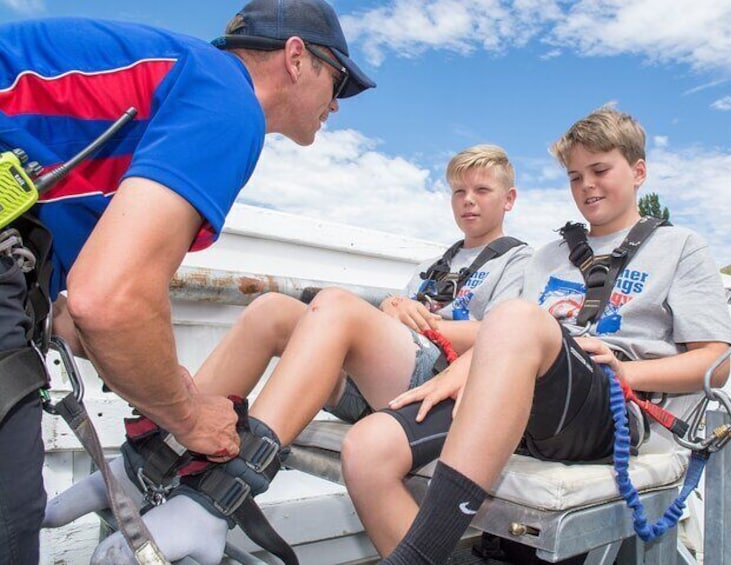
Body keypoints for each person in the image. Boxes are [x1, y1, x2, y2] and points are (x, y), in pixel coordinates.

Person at [0, 0, 374, 562]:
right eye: (338, 79)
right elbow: (109, 302)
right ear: (296, 58)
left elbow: (79, 315)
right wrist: (190, 418)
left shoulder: (163, 94)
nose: (337, 104)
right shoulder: (227, 99)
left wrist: (171, 392)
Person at [43, 144, 532, 564]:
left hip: (444, 389)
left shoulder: (517, 261)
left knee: (339, 306)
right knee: (272, 310)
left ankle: (213, 504)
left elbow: (506, 341)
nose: (467, 201)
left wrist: (420, 320)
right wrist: (393, 306)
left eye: (482, 191)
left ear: (508, 199)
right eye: (458, 191)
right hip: (390, 376)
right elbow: (395, 330)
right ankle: (143, 465)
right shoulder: (435, 264)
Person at [362, 107, 731, 564]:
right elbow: (507, 338)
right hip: (527, 396)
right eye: (575, 177)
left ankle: (417, 555)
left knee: (517, 316)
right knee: (368, 450)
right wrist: (463, 370)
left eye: (599, 170)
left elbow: (715, 364)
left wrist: (627, 369)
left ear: (639, 171)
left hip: (609, 407)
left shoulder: (681, 248)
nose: (586, 187)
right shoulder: (548, 256)